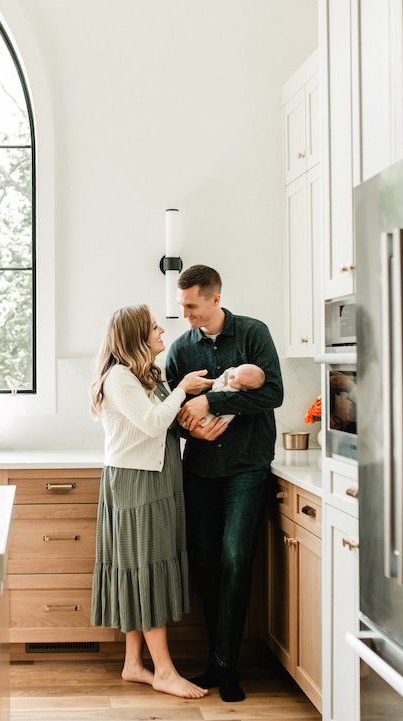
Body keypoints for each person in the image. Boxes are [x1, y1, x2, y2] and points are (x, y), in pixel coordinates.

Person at [164, 265, 283, 703]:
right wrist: (192, 429)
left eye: (192, 306)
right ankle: (216, 660)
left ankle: (228, 666)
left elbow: (273, 394)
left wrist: (213, 398)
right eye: (182, 307)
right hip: (198, 471)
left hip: (247, 468)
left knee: (236, 559)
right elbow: (171, 416)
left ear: (215, 298)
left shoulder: (253, 334)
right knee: (207, 562)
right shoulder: (179, 349)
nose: (186, 314)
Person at [88, 304, 215, 699]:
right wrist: (183, 390)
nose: (162, 329)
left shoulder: (145, 376)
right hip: (136, 484)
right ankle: (163, 671)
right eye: (153, 326)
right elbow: (153, 423)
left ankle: (133, 664)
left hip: (155, 480)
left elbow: (166, 423)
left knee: (139, 568)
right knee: (145, 570)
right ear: (135, 337)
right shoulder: (120, 378)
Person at [180, 363, 266, 429]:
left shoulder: (232, 390)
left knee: (205, 421)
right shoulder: (237, 383)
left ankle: (186, 423)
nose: (231, 375)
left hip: (217, 419)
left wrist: (219, 379)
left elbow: (216, 391)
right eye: (235, 370)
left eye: (235, 379)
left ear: (243, 388)